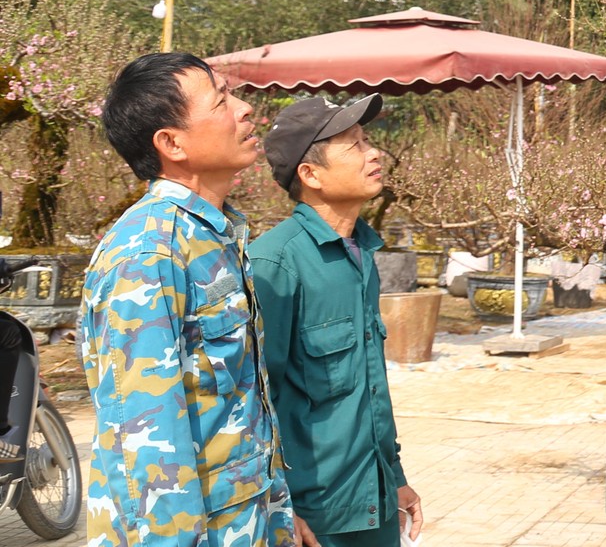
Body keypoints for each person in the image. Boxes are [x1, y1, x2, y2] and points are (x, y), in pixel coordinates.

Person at [81, 52, 305, 547]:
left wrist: (280, 513)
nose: (244, 109)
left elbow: (236, 403)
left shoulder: (215, 234)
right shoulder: (148, 251)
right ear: (171, 143)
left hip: (247, 518)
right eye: (221, 100)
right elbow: (143, 436)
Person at [253, 94, 424, 547]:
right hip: (314, 515)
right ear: (310, 175)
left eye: (368, 140)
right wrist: (277, 505)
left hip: (375, 502)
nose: (373, 154)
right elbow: (254, 398)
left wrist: (396, 478)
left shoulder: (361, 253)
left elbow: (369, 389)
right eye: (353, 145)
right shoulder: (275, 263)